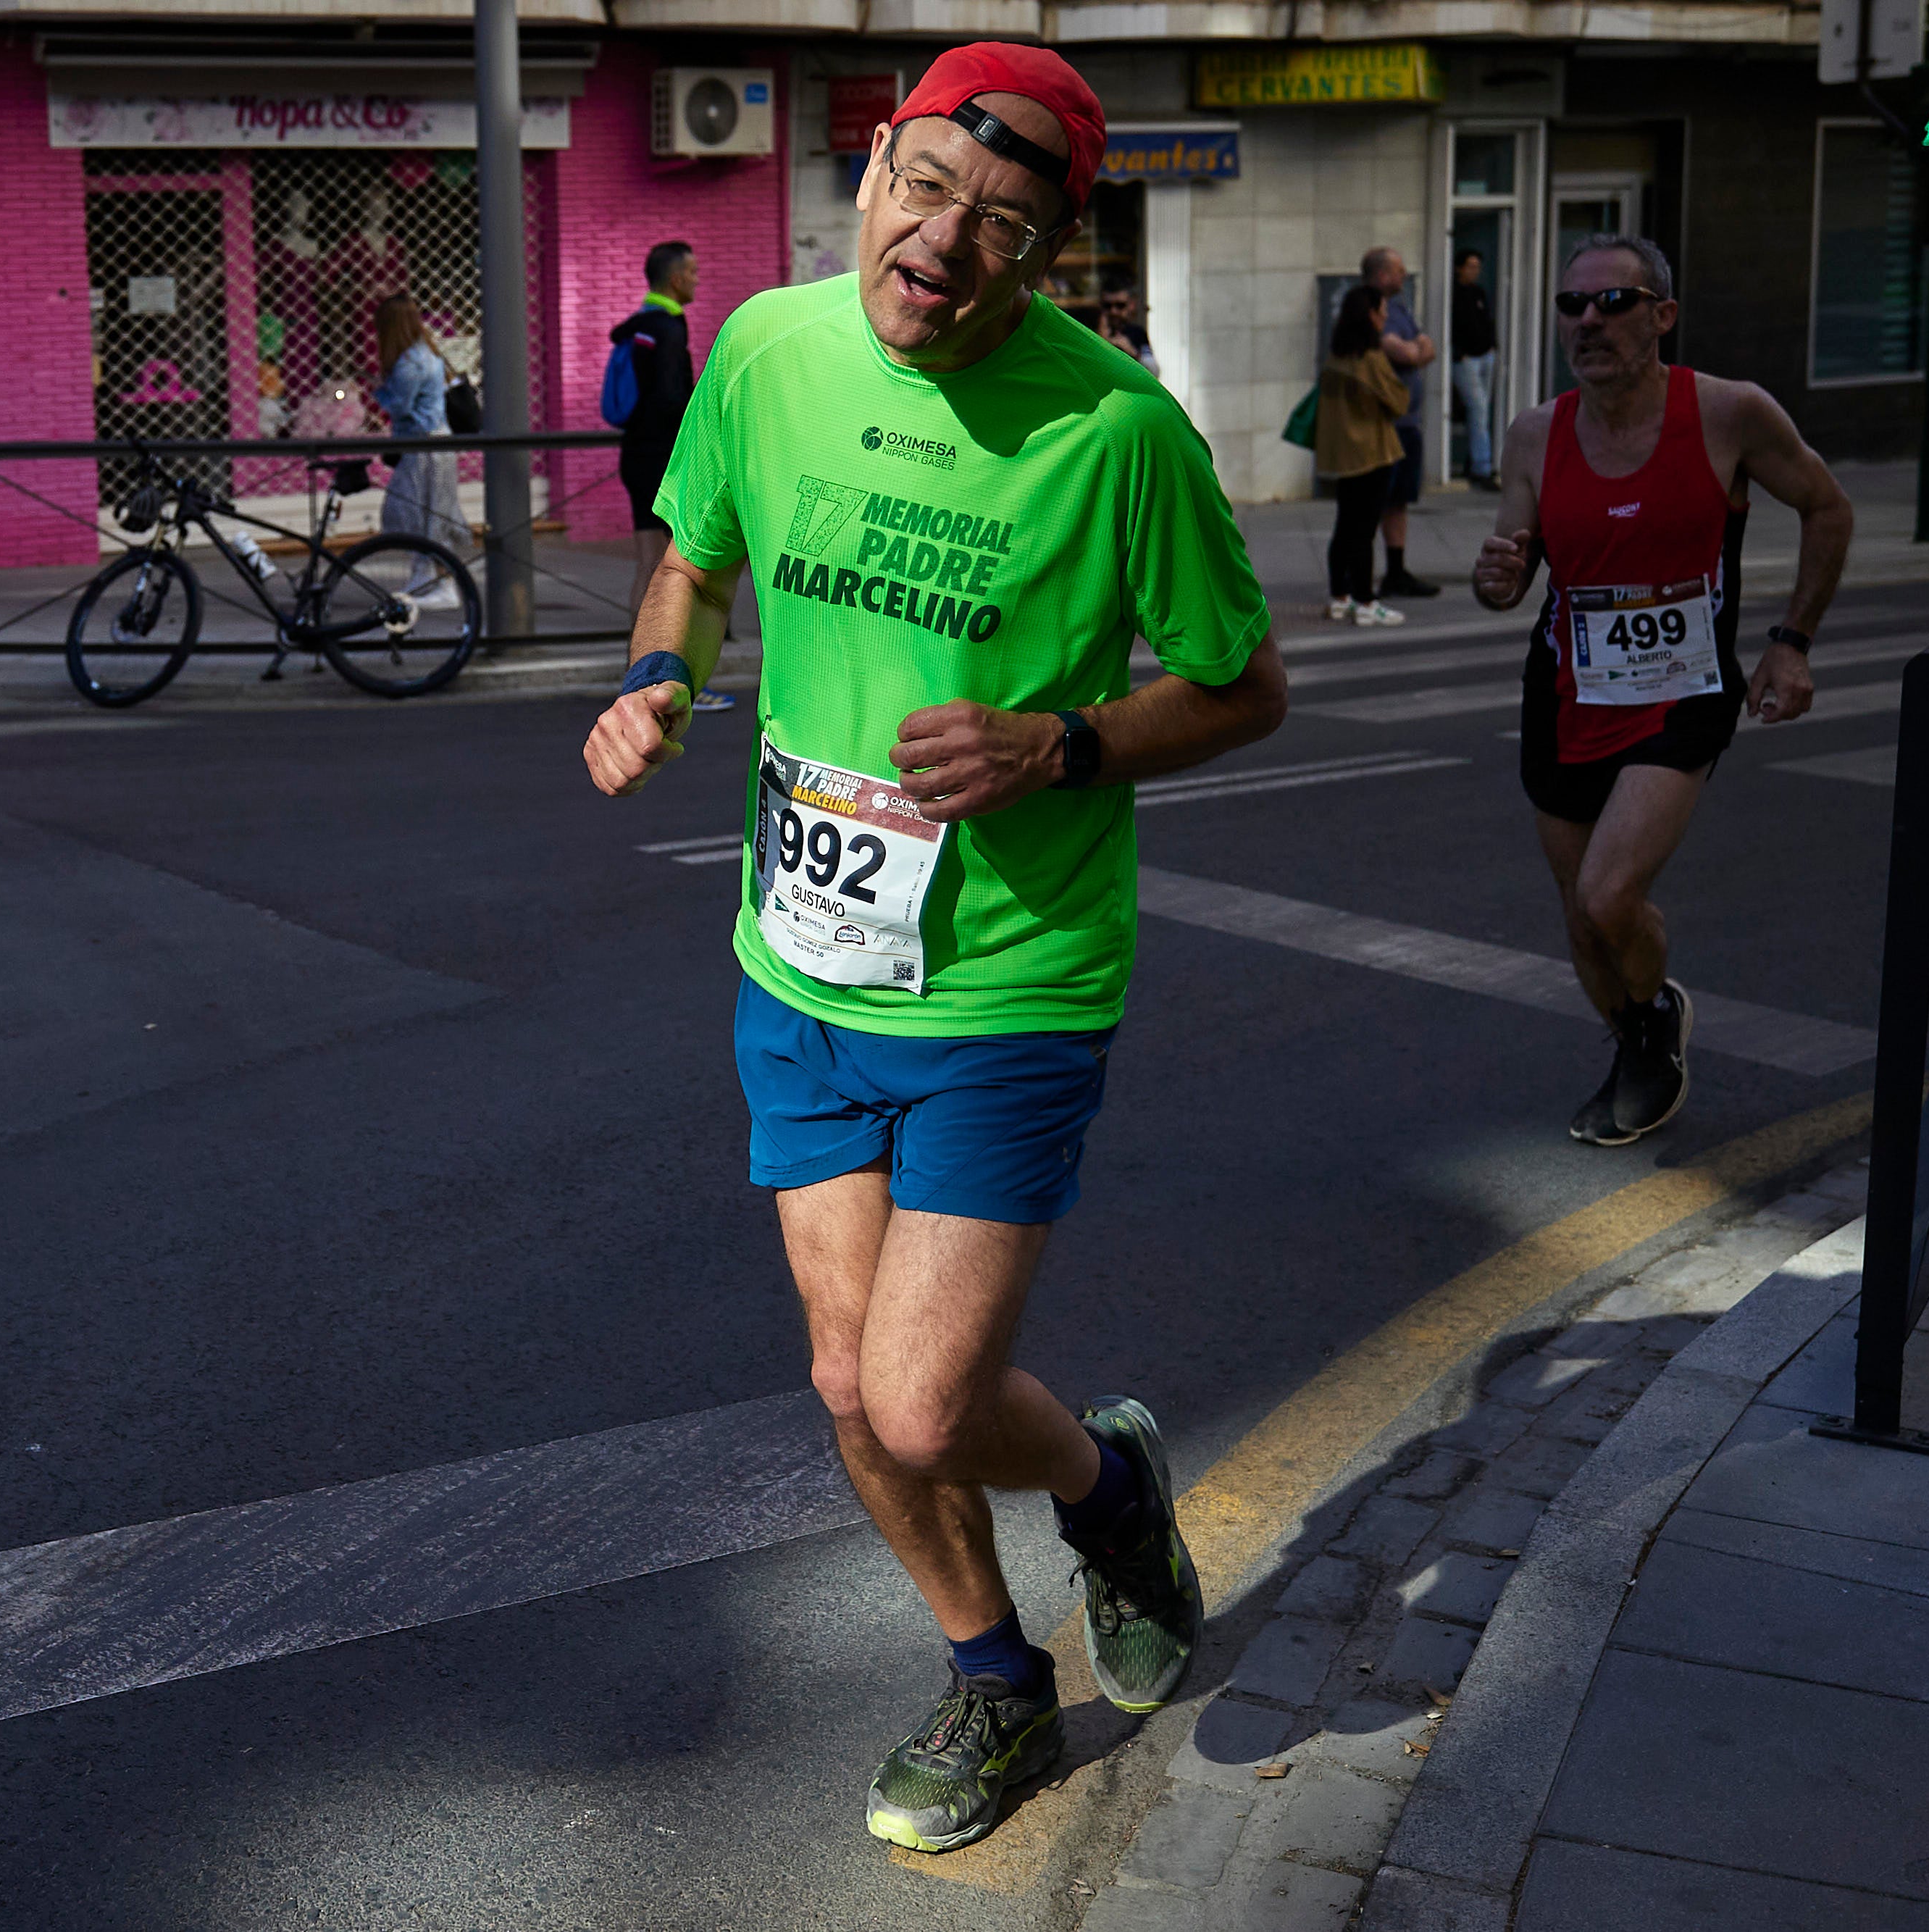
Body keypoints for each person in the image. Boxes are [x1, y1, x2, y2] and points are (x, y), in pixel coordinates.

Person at [580, 41, 1285, 1856]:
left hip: (1008, 984)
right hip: (796, 963)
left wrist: (1060, 745)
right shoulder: (763, 349)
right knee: (847, 1388)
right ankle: (991, 1676)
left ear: (1045, 251)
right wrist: (663, 675)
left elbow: (1243, 685)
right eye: (921, 192)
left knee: (916, 1394)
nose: (941, 245)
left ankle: (1108, 1490)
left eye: (1001, 226)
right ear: (874, 161)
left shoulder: (1115, 433)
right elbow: (694, 555)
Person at [1471, 234, 1853, 1145]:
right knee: (1579, 918)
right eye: (1572, 306)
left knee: (1608, 896)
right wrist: (1494, 575)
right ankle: (1643, 1037)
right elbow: (1507, 579)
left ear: (1662, 316)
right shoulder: (1536, 433)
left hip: (1681, 689)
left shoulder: (1728, 414)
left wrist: (1790, 644)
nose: (1588, 323)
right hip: (1566, 690)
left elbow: (1827, 507)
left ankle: (1649, 1027)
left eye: (1613, 303)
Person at [615, 242, 732, 712]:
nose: (697, 278)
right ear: (672, 278)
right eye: (691, 270)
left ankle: (637, 675)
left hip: (635, 455)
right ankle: (671, 681)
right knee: (677, 571)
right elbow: (670, 402)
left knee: (649, 563)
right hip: (661, 460)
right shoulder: (665, 329)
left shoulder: (639, 326)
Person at [1316, 284, 1409, 627]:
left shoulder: (1335, 357)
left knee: (1345, 526)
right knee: (1364, 529)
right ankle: (1367, 602)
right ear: (1370, 314)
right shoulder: (1370, 359)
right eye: (1382, 310)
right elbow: (1399, 401)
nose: (1385, 317)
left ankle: (1340, 596)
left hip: (1343, 455)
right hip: (1373, 452)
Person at [369, 296, 467, 607]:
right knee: (424, 512)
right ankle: (426, 575)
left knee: (420, 512)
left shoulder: (410, 362)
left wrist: (378, 390)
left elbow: (399, 406)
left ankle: (442, 583)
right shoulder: (426, 354)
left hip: (425, 448)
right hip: (433, 445)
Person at [1360, 248, 1440, 598]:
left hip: (1408, 424)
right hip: (1384, 425)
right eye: (1398, 269)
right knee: (1374, 501)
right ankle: (1357, 580)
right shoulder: (1372, 308)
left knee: (1399, 500)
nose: (1405, 274)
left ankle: (1395, 571)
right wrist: (1415, 350)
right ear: (1381, 276)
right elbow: (1407, 352)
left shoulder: (1401, 307)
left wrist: (1416, 349)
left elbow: (1427, 348)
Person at [1449, 248, 1499, 490]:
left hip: (1485, 355)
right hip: (1466, 359)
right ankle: (1482, 467)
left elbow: (1486, 321)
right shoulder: (1454, 293)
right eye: (1470, 266)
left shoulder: (1478, 292)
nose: (1474, 271)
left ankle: (1475, 461)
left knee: (1481, 412)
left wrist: (1492, 346)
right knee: (1478, 409)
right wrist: (1460, 353)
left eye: (1477, 267)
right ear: (1459, 268)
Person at [1095, 271, 1158, 375]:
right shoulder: (1090, 332)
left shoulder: (1137, 333)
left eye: (1120, 306)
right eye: (1107, 306)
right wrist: (1100, 344)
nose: (1113, 311)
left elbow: (1154, 372)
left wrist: (1132, 352)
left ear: (1131, 305)